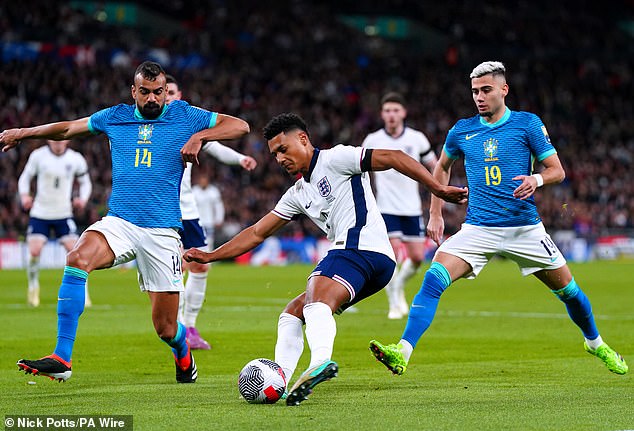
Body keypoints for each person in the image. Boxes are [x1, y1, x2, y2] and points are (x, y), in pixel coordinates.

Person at [183, 113, 468, 405]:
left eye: (283, 149)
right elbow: (257, 232)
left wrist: (437, 188)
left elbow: (394, 156)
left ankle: (319, 362)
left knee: (316, 295)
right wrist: (211, 255)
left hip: (361, 248)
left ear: (303, 139)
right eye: (274, 154)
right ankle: (281, 376)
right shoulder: (297, 193)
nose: (280, 158)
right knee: (292, 313)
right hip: (368, 262)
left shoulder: (336, 158)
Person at [369, 61, 628, 377]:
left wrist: (537, 180)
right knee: (433, 278)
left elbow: (557, 170)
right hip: (478, 228)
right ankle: (403, 351)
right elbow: (441, 167)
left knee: (570, 292)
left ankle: (594, 342)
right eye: (475, 91)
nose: (479, 97)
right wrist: (435, 212)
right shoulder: (462, 130)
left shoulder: (526, 124)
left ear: (504, 90)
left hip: (525, 229)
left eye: (486, 90)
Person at [1, 61, 250, 383]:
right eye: (144, 92)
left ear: (165, 92)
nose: (151, 98)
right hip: (120, 222)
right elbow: (67, 129)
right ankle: (62, 356)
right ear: (134, 91)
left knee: (166, 328)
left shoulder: (185, 115)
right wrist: (24, 133)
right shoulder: (114, 117)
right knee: (77, 257)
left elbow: (241, 126)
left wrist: (200, 137)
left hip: (162, 232)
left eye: (158, 92)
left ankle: (183, 354)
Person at [165, 74, 257, 350]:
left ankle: (189, 326)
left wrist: (240, 158)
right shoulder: (149, 126)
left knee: (201, 264)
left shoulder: (189, 125)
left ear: (180, 96)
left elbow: (215, 147)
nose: (166, 96)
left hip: (188, 210)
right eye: (162, 92)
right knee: (172, 269)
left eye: (170, 92)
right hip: (160, 210)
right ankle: (173, 325)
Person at [362, 92, 438, 319]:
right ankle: (394, 304)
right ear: (382, 114)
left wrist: (437, 189)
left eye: (396, 110)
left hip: (412, 208)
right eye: (387, 111)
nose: (391, 115)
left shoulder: (417, 139)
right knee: (393, 255)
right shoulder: (373, 140)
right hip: (385, 208)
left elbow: (434, 167)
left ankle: (398, 286)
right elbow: (361, 173)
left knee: (416, 258)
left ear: (403, 112)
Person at [18, 139, 92, 308]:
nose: (58, 142)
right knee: (34, 251)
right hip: (40, 212)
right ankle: (33, 286)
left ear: (67, 140)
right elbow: (25, 177)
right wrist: (24, 196)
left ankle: (83, 293)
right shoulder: (38, 156)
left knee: (77, 254)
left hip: (63, 213)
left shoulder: (75, 158)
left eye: (61, 139)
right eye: (54, 139)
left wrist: (83, 199)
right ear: (48, 140)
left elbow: (85, 181)